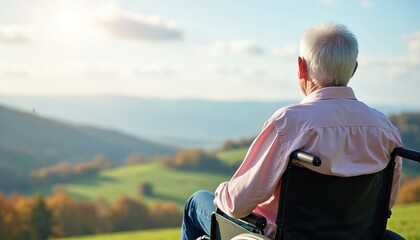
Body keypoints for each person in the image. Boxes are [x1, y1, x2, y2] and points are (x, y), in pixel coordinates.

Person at [180, 21, 403, 239]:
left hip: (274, 234)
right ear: (354, 69)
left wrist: (223, 193)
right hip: (357, 234)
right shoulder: (385, 129)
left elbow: (237, 205)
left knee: (196, 202)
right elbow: (386, 202)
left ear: (301, 67)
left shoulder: (289, 123)